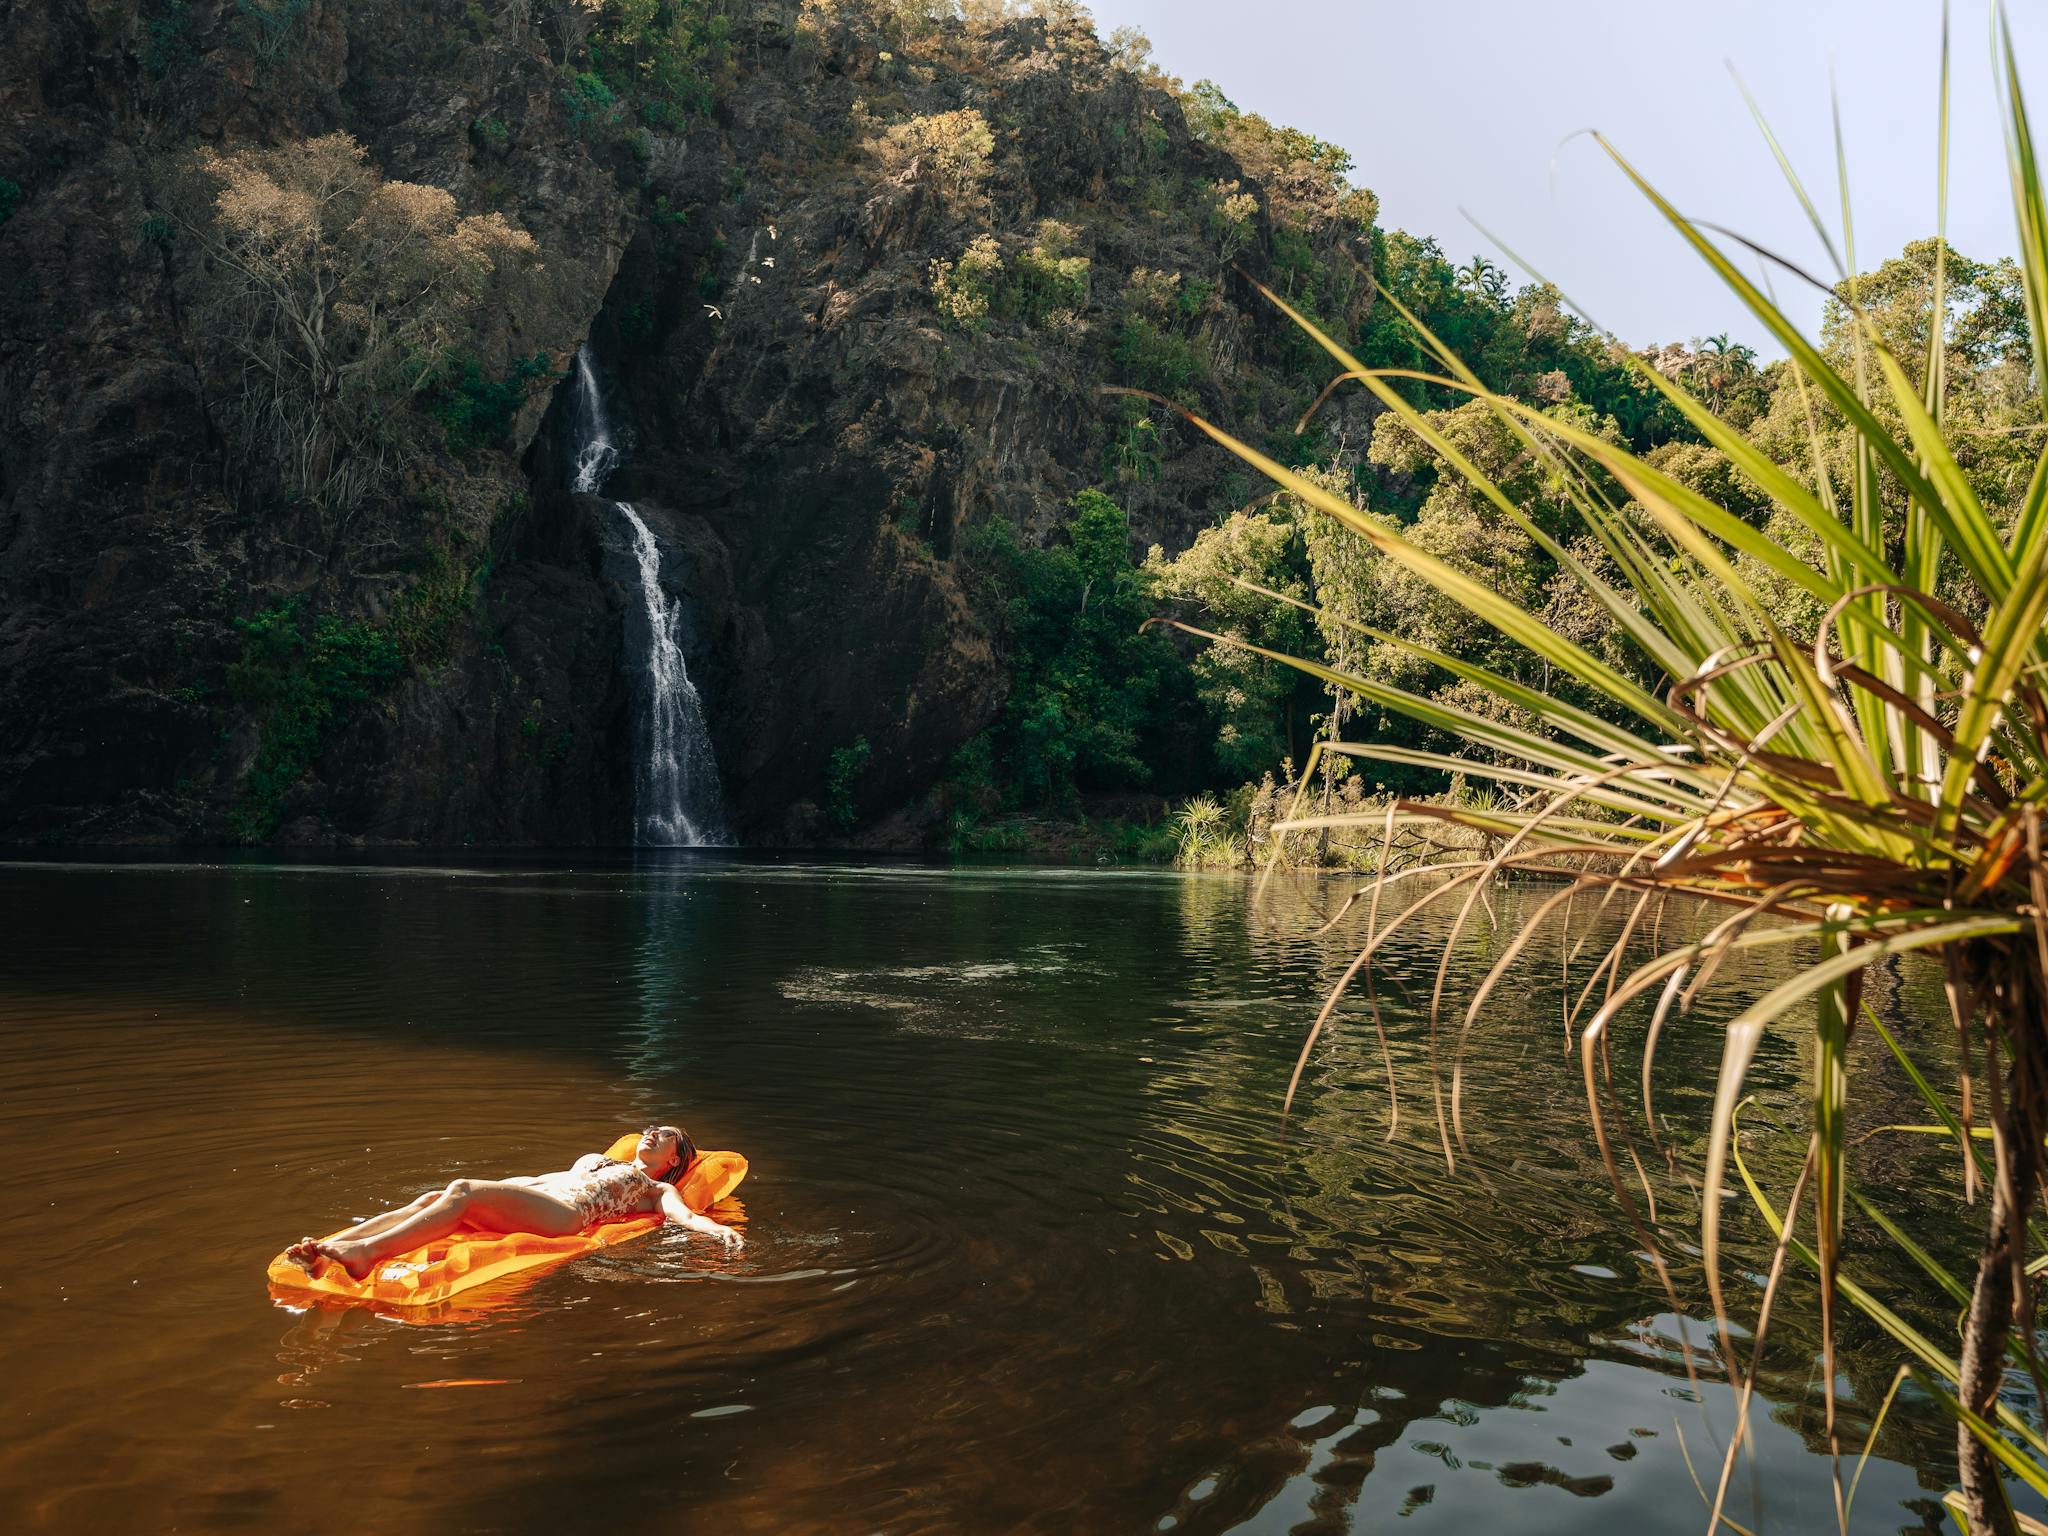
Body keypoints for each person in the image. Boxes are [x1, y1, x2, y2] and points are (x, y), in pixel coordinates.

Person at [284, 1124, 743, 1280]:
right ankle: (328, 1251)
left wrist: (721, 1230)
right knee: (436, 1194)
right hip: (542, 1198)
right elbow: (541, 1178)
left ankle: (364, 1255)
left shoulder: (656, 1189)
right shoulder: (597, 1159)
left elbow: (685, 1217)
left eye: (665, 1135)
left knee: (463, 1187)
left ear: (675, 1157)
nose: (652, 1131)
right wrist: (479, 1195)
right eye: (652, 1127)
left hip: (566, 1217)